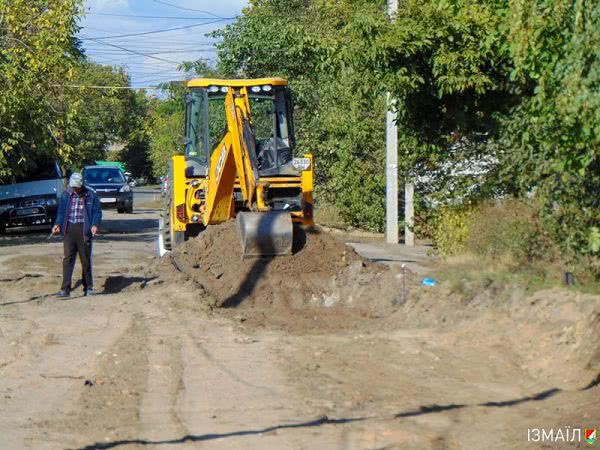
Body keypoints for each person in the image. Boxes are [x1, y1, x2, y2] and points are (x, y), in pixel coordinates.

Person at [53, 173, 102, 298]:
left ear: (81, 185)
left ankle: (88, 287)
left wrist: (95, 224)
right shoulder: (66, 194)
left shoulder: (91, 194)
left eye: (77, 187)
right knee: (67, 259)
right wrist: (58, 224)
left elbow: (97, 212)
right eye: (73, 186)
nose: (74, 189)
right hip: (69, 230)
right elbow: (61, 212)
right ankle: (65, 289)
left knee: (85, 260)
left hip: (84, 229)